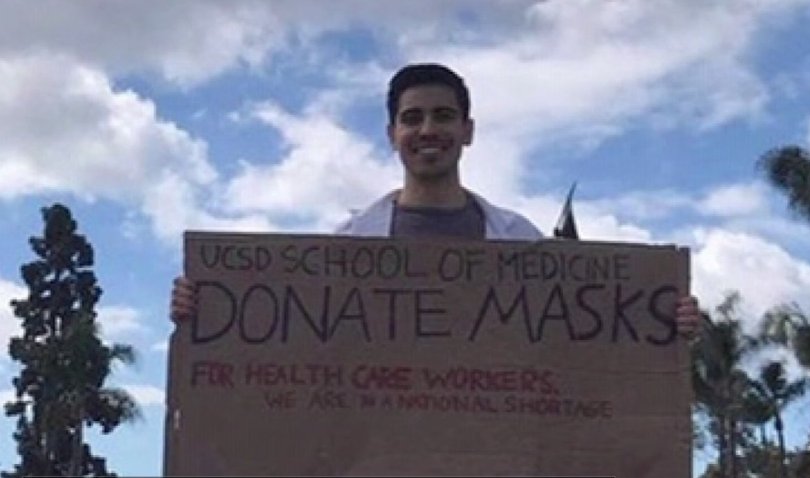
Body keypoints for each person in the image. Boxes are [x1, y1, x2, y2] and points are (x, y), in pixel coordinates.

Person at [170, 62, 700, 336]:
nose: (428, 130)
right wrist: (206, 307)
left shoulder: (524, 243)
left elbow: (587, 346)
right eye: (412, 118)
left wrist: (666, 321)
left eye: (444, 116)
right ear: (391, 134)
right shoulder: (344, 247)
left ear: (468, 131)